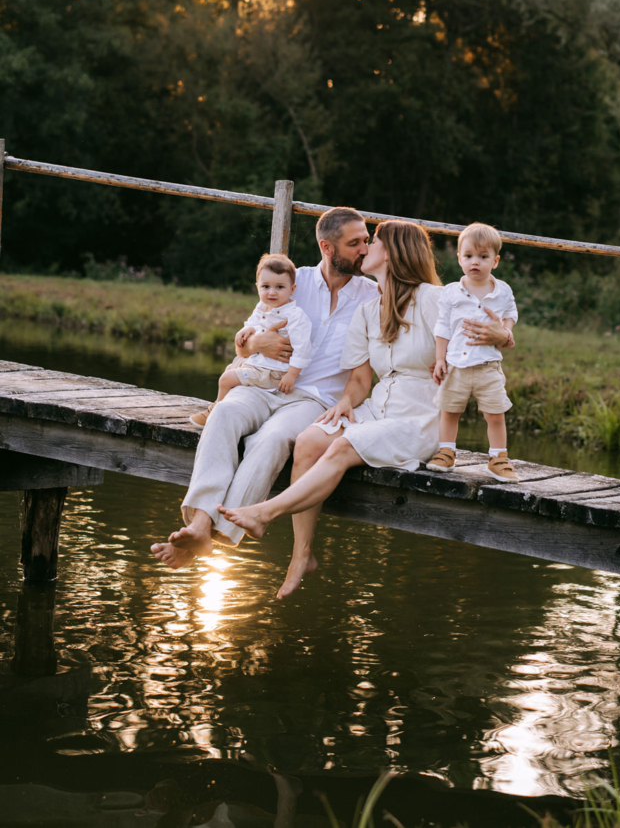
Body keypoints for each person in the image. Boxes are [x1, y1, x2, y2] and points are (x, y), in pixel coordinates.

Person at [218, 219, 509, 599]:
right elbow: (358, 380)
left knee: (340, 447)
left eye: (372, 242)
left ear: (391, 252)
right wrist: (343, 404)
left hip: (421, 416)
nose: (364, 248)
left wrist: (502, 335)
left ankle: (264, 512)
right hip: (376, 407)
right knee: (310, 440)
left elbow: (491, 333)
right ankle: (301, 555)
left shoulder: (436, 299)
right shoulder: (369, 310)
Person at [151, 206, 379, 569]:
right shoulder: (293, 279)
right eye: (355, 243)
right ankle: (200, 523)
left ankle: (210, 530)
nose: (365, 249)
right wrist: (254, 345)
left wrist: (345, 404)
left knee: (272, 439)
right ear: (327, 246)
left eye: (366, 241)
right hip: (260, 382)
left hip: (312, 399)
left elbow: (361, 378)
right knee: (223, 413)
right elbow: (244, 343)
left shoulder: (372, 296)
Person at [426, 222, 518, 481]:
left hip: (488, 365)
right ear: (459, 259)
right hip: (456, 365)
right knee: (450, 411)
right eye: (468, 256)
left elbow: (511, 313)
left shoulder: (502, 291)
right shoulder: (452, 292)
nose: (474, 262)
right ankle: (446, 452)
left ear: (495, 261)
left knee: (495, 414)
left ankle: (498, 458)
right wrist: (440, 359)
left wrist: (506, 330)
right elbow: (442, 327)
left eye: (483, 256)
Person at [189, 254, 313, 428]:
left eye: (279, 287)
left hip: (274, 372)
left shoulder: (295, 316)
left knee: (226, 379)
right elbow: (254, 322)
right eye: (266, 286)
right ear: (257, 287)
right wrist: (247, 329)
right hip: (260, 363)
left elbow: (303, 349)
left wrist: (292, 375)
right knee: (231, 367)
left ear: (292, 289)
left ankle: (215, 413)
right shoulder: (262, 307)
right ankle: (224, 407)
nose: (272, 292)